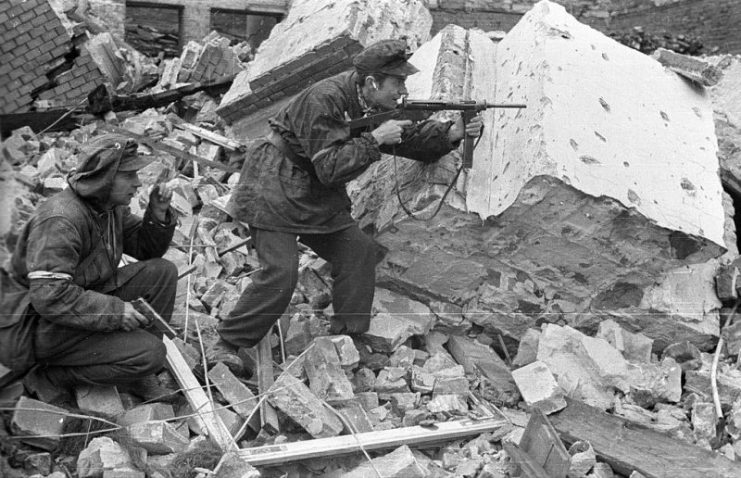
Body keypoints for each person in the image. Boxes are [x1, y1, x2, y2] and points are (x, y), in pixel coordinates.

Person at [210, 39, 484, 375]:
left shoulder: (367, 101)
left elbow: (410, 141)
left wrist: (451, 133)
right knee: (282, 273)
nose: (403, 90)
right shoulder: (324, 99)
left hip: (313, 194)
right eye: (397, 82)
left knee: (358, 251)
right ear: (372, 83)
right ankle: (225, 343)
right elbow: (331, 168)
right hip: (272, 186)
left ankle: (347, 337)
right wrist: (375, 140)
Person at [0, 134, 179, 401]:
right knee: (150, 353)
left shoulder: (106, 206)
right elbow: (50, 296)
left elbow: (145, 250)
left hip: (74, 301)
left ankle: (138, 374)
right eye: (129, 175)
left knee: (162, 272)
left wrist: (158, 213)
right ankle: (50, 378)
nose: (138, 183)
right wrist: (116, 312)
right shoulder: (61, 219)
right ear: (104, 177)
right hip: (32, 326)